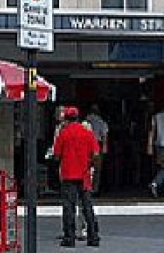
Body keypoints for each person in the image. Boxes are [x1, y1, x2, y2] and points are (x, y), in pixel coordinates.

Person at [53, 106, 100, 248]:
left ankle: (69, 237)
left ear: (66, 119)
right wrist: (89, 163)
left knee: (69, 207)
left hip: (68, 174)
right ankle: (93, 237)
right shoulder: (87, 133)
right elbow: (96, 153)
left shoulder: (64, 133)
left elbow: (56, 154)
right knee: (87, 206)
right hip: (84, 175)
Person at [85, 104, 109, 195]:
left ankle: (85, 187)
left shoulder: (85, 121)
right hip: (97, 144)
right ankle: (94, 189)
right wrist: (104, 147)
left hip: (85, 145)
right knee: (97, 169)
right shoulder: (102, 122)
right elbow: (104, 136)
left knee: (86, 167)